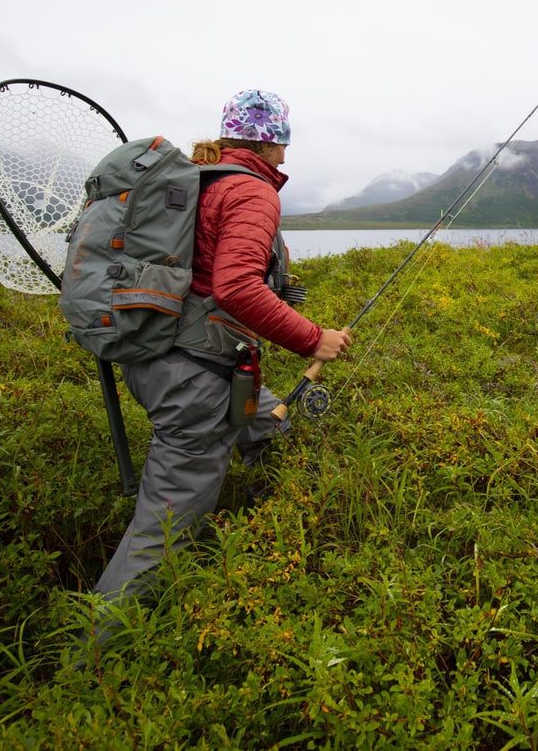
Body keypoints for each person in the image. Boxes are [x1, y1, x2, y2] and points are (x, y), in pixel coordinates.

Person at [93, 89, 352, 604]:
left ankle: (262, 484)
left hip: (155, 356)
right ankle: (91, 657)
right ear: (275, 141)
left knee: (266, 415)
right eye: (284, 140)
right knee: (162, 532)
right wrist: (313, 339)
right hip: (196, 376)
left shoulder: (196, 180)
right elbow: (236, 287)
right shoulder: (252, 191)